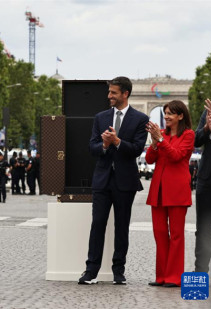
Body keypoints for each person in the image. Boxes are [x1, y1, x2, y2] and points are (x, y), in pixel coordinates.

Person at [79, 76, 148, 285]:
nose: (109, 96)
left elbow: (137, 149)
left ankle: (119, 271)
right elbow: (92, 147)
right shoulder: (100, 117)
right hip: (102, 180)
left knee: (122, 227)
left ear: (125, 94)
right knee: (97, 224)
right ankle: (91, 271)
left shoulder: (140, 119)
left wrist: (117, 141)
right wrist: (105, 145)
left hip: (125, 181)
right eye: (109, 92)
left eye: (113, 92)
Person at [145, 100, 194, 287]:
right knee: (159, 234)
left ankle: (174, 277)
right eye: (165, 113)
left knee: (176, 235)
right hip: (157, 191)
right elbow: (149, 159)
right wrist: (155, 142)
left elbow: (176, 156)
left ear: (180, 116)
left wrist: (160, 140)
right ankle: (162, 276)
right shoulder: (161, 135)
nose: (166, 116)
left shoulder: (188, 135)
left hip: (177, 191)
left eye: (170, 113)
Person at [194, 98, 211, 276]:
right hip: (207, 179)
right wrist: (207, 129)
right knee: (203, 229)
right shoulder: (209, 111)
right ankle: (200, 272)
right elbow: (196, 140)